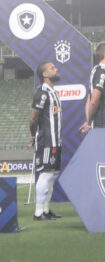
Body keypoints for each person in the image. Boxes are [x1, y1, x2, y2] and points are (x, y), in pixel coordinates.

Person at [29, 62, 63, 220]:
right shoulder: (42, 92)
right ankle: (38, 212)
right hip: (47, 141)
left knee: (53, 175)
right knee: (46, 174)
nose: (56, 69)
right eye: (52, 68)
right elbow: (33, 117)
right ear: (45, 74)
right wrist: (32, 134)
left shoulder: (53, 92)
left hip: (56, 142)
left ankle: (46, 210)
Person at [80, 42, 105, 133]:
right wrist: (89, 123)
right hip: (103, 128)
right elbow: (93, 101)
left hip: (102, 127)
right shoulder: (101, 71)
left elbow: (89, 100)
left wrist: (88, 121)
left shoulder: (99, 71)